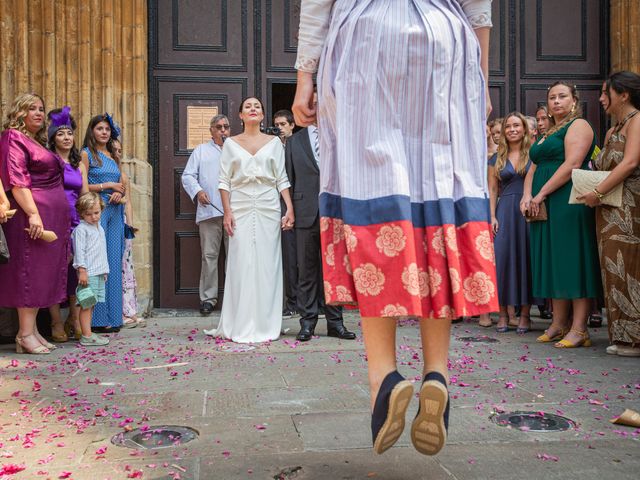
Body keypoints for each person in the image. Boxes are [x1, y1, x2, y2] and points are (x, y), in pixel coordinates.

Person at [293, 0, 497, 456]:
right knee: (435, 202)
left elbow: (317, 4)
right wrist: (480, 75)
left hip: (365, 39)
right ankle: (437, 373)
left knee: (372, 199)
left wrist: (305, 76)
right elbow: (478, 7)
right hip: (443, 42)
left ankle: (384, 379)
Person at [205, 97, 295, 343]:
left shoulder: (275, 143)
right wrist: (227, 212)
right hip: (241, 207)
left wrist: (289, 208)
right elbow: (224, 181)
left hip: (268, 207)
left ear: (263, 116)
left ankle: (267, 322)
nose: (253, 109)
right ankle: (241, 322)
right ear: (241, 116)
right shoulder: (231, 144)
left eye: (257, 107)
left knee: (268, 264)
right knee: (241, 262)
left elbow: (281, 178)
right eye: (248, 107)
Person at [521, 81, 602, 348]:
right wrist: (527, 195)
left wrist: (541, 193)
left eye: (562, 96)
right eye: (552, 97)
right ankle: (558, 323)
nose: (556, 101)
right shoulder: (548, 131)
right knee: (554, 260)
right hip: (544, 200)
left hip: (568, 198)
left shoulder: (578, 125)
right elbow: (533, 166)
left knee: (572, 259)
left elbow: (573, 163)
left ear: (574, 101)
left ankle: (579, 329)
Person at [0, 93, 70, 354]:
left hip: (50, 214)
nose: (39, 113)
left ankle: (31, 331)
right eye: (32, 108)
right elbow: (17, 180)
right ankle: (25, 333)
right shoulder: (12, 137)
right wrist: (33, 213)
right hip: (31, 215)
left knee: (42, 273)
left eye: (41, 108)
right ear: (19, 112)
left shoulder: (34, 140)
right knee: (30, 271)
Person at [579, 71, 640, 357]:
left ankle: (635, 338)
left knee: (630, 267)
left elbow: (629, 163)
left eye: (606, 93)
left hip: (629, 209)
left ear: (623, 94)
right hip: (606, 211)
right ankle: (620, 334)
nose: (601, 98)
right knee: (612, 269)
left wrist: (598, 192)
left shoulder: (637, 121)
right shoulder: (612, 130)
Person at [285, 118, 356, 342]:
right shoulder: (294, 141)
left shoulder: (341, 135)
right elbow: (288, 177)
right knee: (306, 271)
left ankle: (336, 324)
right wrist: (289, 211)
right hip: (305, 211)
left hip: (335, 211)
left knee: (333, 271)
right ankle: (307, 323)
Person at [488, 113, 534, 334]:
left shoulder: (534, 155)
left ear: (525, 129)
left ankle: (525, 315)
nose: (512, 129)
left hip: (527, 212)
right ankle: (503, 314)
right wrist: (492, 216)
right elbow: (493, 189)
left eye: (517, 125)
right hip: (504, 211)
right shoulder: (495, 158)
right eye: (508, 126)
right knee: (502, 260)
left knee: (526, 260)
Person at [46, 107, 89, 342]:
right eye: (61, 133)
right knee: (53, 271)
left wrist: (89, 221)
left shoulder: (78, 164)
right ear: (53, 137)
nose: (66, 137)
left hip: (75, 221)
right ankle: (55, 321)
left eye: (70, 133)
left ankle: (74, 318)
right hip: (53, 220)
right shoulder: (48, 161)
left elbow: (83, 195)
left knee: (75, 272)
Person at [81, 114, 126, 331]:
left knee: (114, 262)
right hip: (97, 210)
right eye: (100, 128)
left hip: (116, 210)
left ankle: (115, 318)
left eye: (107, 129)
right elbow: (83, 187)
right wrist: (107, 185)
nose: (104, 132)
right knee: (99, 262)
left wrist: (119, 192)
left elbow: (122, 183)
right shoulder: (86, 154)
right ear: (92, 131)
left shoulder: (112, 154)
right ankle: (98, 321)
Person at [181, 115, 229, 315]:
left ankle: (234, 300)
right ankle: (208, 299)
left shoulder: (236, 149)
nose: (223, 131)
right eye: (218, 127)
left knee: (235, 257)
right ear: (211, 130)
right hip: (210, 212)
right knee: (209, 256)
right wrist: (198, 191)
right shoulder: (201, 151)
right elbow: (187, 175)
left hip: (234, 212)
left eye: (226, 127)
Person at [112, 138, 145, 328]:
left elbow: (129, 202)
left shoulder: (123, 176)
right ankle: (118, 310)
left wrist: (130, 226)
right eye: (114, 150)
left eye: (119, 151)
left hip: (123, 223)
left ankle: (129, 309)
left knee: (126, 266)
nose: (117, 154)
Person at [72, 192, 110, 346]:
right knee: (86, 304)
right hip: (88, 273)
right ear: (81, 213)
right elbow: (79, 251)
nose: (94, 217)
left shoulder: (99, 228)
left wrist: (104, 270)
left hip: (98, 272)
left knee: (91, 303)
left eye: (96, 212)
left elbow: (101, 251)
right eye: (88, 214)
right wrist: (82, 270)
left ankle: (88, 332)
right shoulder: (81, 229)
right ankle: (86, 335)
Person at [274, 109, 300, 318]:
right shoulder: (273, 147)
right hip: (280, 206)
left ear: (292, 125)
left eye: (283, 124)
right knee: (288, 256)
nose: (280, 128)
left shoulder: (301, 145)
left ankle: (312, 301)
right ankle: (291, 302)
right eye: (277, 125)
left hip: (303, 205)